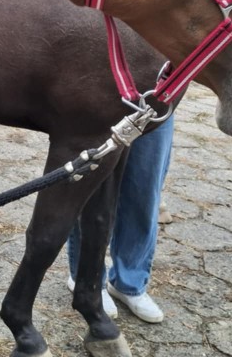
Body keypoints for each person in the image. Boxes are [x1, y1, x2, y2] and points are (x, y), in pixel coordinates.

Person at [66, 114, 175, 323]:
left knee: (145, 190)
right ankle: (87, 279)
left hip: (158, 100)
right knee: (93, 187)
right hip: (103, 98)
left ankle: (130, 282)